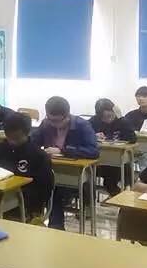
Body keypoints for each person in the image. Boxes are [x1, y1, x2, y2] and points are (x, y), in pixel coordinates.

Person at [31, 96, 99, 230]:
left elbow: (93, 151)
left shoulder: (81, 125)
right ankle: (34, 222)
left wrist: (63, 150)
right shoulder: (46, 124)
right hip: (50, 170)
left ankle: (56, 227)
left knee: (54, 191)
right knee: (37, 187)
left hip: (73, 174)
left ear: (67, 115)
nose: (53, 123)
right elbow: (33, 143)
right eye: (50, 119)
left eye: (56, 121)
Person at [0, 112, 53, 218]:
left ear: (28, 133)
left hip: (24, 203)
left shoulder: (38, 156)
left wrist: (33, 207)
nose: (12, 142)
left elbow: (44, 189)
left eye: (17, 138)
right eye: (9, 137)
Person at [89, 99, 136, 196]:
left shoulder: (121, 121)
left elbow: (132, 138)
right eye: (104, 117)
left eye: (110, 116)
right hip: (100, 161)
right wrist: (93, 135)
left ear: (114, 112)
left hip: (118, 160)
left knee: (122, 171)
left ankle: (125, 193)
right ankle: (117, 195)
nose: (108, 120)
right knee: (107, 178)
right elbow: (84, 135)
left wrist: (121, 118)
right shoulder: (94, 121)